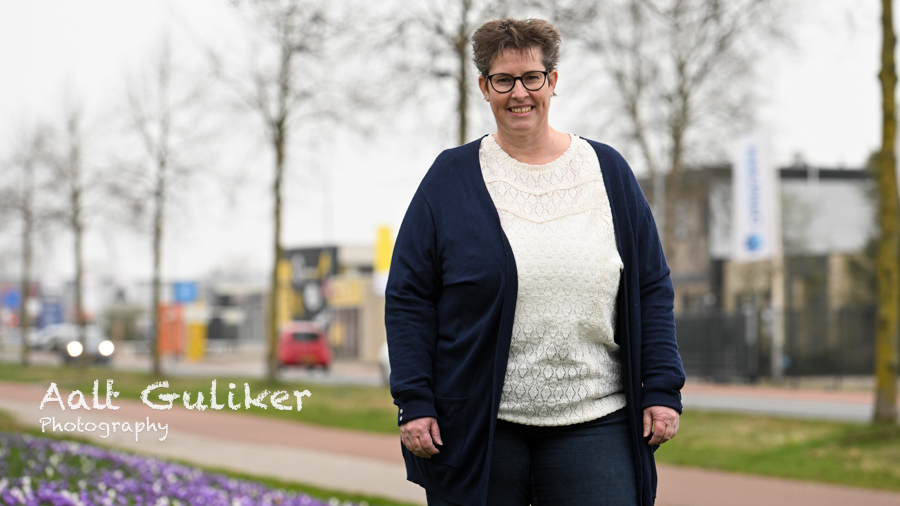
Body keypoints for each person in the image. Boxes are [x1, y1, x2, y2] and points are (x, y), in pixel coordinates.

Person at [385, 18, 685, 506]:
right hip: (480, 426)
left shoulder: (608, 171)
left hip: (596, 421)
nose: (519, 93)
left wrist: (663, 387)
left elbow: (651, 287)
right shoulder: (449, 179)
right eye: (503, 80)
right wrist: (414, 400)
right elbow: (409, 297)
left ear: (553, 81)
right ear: (484, 87)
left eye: (532, 77)